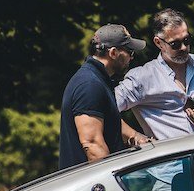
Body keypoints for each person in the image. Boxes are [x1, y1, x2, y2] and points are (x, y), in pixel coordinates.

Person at [114, 8, 194, 191]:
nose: (184, 48)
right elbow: (104, 110)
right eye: (175, 44)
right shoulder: (142, 77)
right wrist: (134, 136)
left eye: (187, 40)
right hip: (167, 179)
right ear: (158, 42)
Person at [59, 24, 149, 169]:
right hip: (87, 187)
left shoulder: (97, 79)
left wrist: (139, 138)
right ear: (113, 53)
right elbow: (92, 144)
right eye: (129, 52)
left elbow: (110, 120)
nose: (131, 58)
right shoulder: (89, 85)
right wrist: (111, 185)